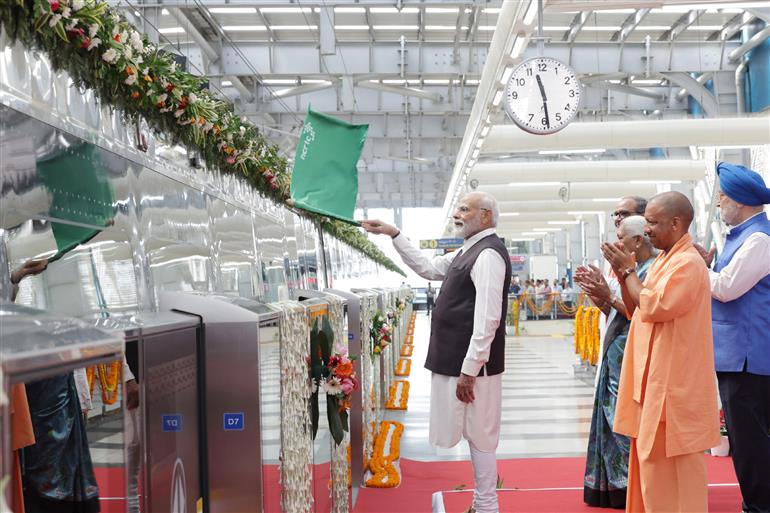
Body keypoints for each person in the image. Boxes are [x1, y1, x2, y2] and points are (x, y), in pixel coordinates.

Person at [361, 191, 510, 513]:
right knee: (473, 432)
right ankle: (482, 501)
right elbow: (428, 268)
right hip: (458, 363)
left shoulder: (488, 255)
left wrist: (470, 369)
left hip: (473, 367)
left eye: (464, 209)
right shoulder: (467, 251)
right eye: (458, 208)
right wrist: (394, 234)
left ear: (485, 216)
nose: (457, 214)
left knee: (481, 434)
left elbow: (488, 318)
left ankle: (487, 505)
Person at [602, 192, 719, 513]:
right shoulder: (667, 259)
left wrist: (627, 272)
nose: (647, 229)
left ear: (676, 223)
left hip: (674, 388)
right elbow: (635, 308)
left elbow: (654, 306)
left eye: (652, 222)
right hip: (653, 383)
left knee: (674, 475)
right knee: (651, 469)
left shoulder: (688, 263)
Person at [694, 162, 770, 513]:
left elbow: (726, 289)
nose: (720, 202)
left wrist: (696, 269)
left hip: (748, 358)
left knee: (750, 442)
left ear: (740, 200)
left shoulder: (758, 240)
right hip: (737, 356)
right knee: (747, 440)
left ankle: (758, 506)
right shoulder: (741, 237)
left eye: (722, 196)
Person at [575, 216, 656, 509]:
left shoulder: (652, 270)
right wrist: (599, 294)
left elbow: (640, 311)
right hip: (616, 351)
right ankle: (614, 487)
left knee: (624, 421)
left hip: (633, 355)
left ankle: (633, 485)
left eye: (621, 236)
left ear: (638, 240)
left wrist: (609, 292)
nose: (616, 242)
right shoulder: (629, 271)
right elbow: (616, 311)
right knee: (612, 419)